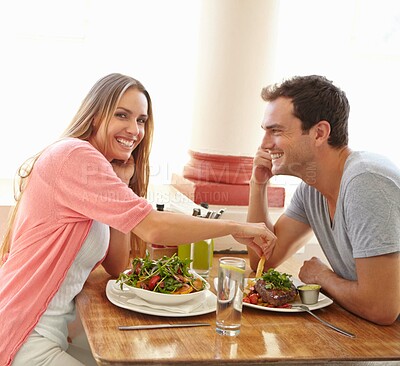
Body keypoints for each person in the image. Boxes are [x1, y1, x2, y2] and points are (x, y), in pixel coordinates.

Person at [0, 73, 276, 366]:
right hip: (24, 334)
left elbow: (117, 265)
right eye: (122, 115)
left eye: (141, 120)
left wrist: (122, 183)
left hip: (49, 331)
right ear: (95, 117)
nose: (134, 130)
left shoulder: (94, 169)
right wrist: (235, 226)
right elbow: (153, 227)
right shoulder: (75, 156)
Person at [247, 75, 399, 326]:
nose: (263, 145)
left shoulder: (366, 181)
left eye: (276, 131)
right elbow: (263, 259)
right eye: (265, 132)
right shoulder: (312, 187)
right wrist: (258, 185)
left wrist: (322, 276)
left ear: (319, 133)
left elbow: (381, 307)